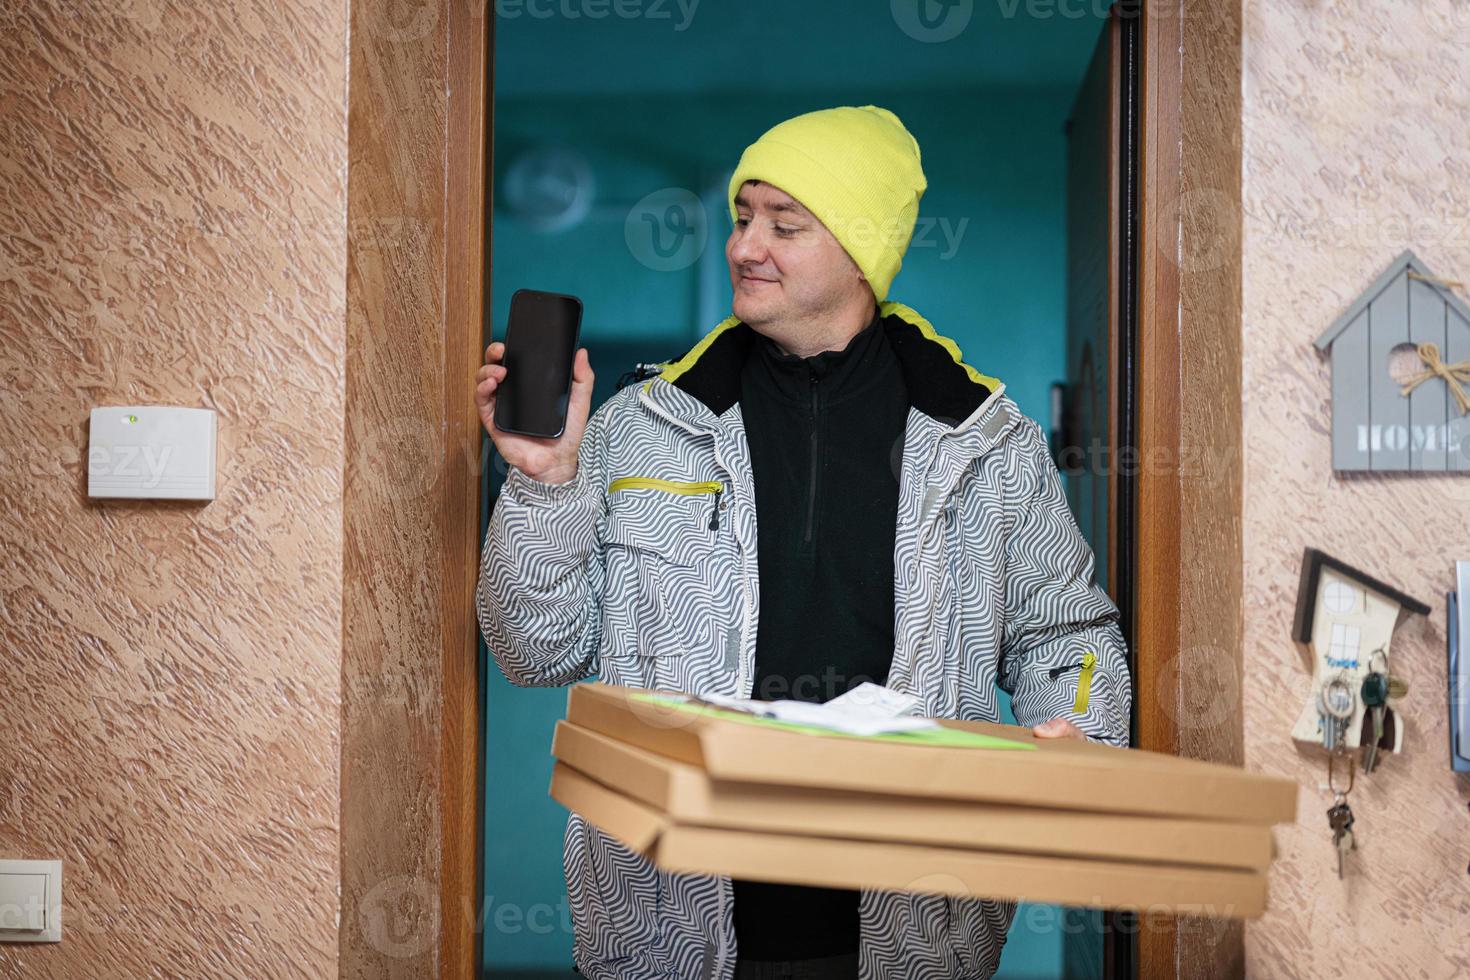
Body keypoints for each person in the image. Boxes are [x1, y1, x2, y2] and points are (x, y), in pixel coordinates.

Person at [475, 105, 1132, 980]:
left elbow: (1067, 635)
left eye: (785, 225)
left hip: (907, 930)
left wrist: (1083, 729)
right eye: (744, 218)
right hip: (670, 925)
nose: (746, 246)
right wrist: (543, 481)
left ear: (862, 255)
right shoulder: (639, 428)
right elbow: (533, 649)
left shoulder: (986, 442)